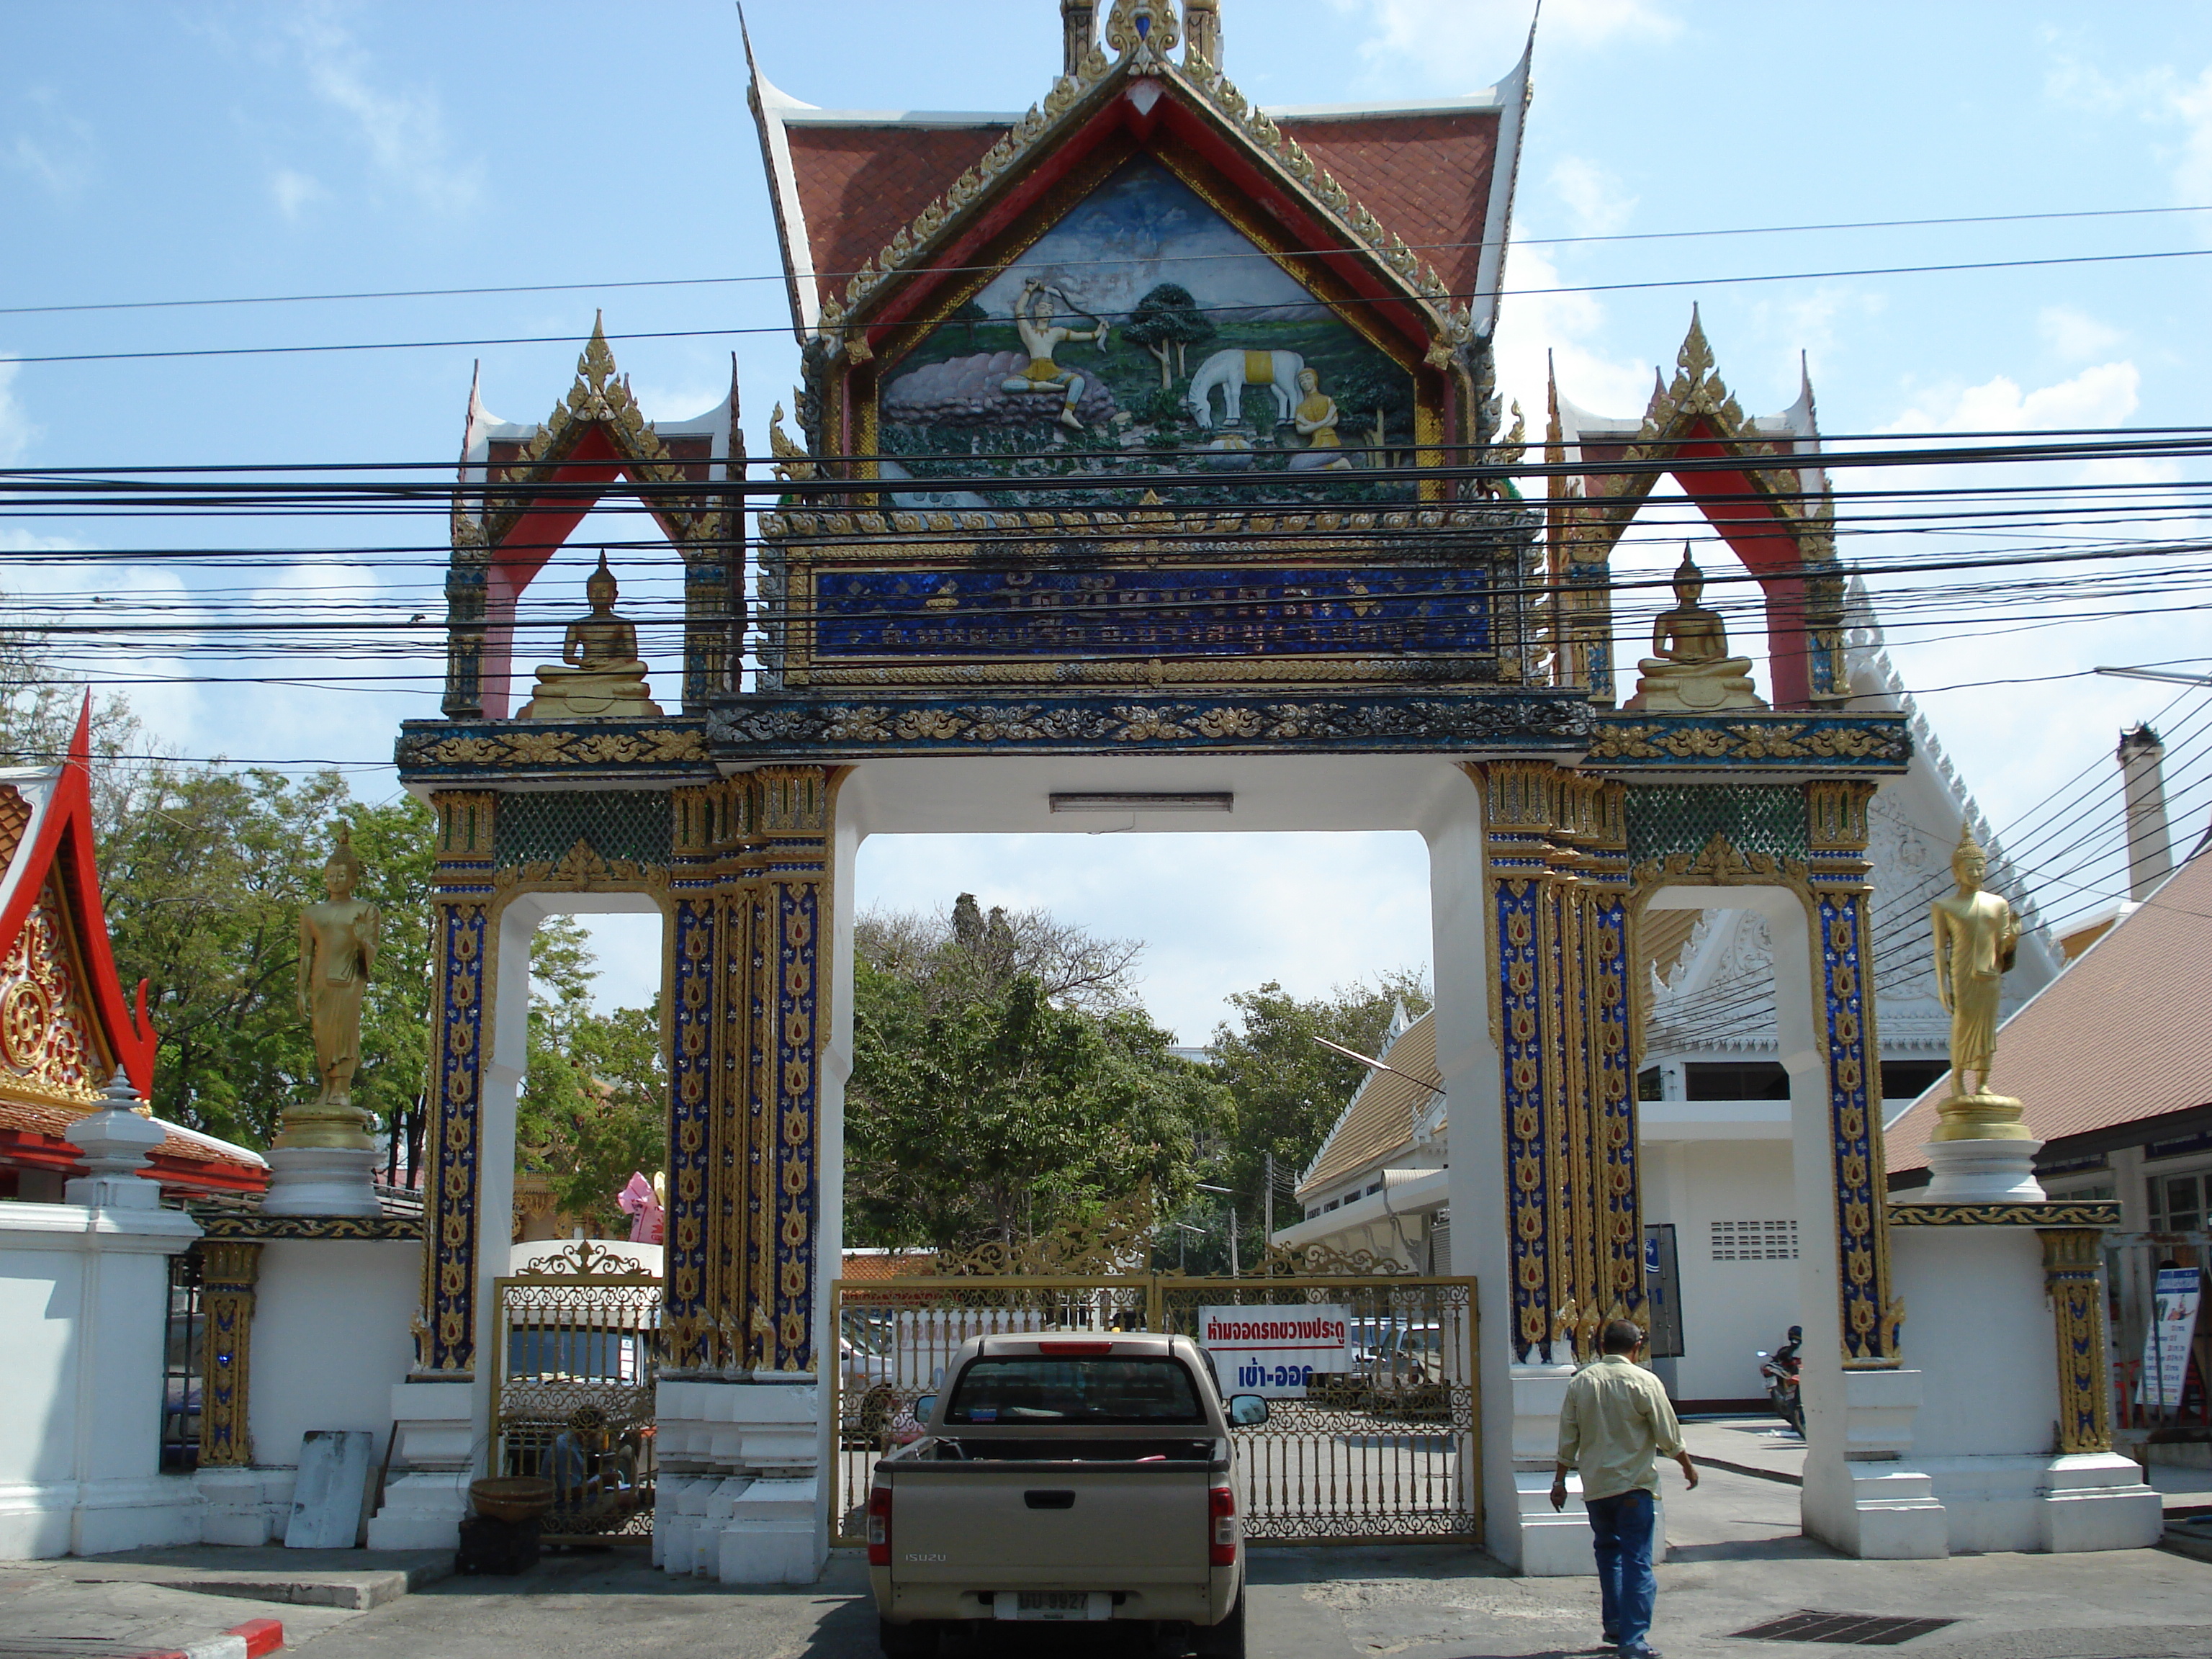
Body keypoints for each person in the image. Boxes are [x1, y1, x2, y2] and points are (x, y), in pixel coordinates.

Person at [1551, 1318, 1697, 1658]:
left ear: (1602, 1348)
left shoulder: (1582, 1382)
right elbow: (1668, 1433)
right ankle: (1633, 1640)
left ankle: (1616, 1624)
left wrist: (1559, 1482)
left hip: (1597, 1486)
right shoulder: (1644, 1381)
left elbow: (1567, 1438)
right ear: (1636, 1348)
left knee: (1608, 1554)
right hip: (1633, 1485)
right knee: (1637, 1561)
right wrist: (1687, 1466)